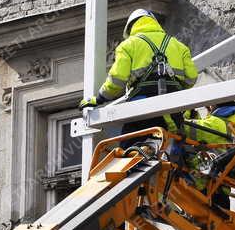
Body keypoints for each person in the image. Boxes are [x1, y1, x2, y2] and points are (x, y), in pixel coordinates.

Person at [79, 9, 198, 142]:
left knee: (130, 149)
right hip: (174, 109)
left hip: (142, 109)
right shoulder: (178, 45)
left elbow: (117, 80)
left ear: (130, 28)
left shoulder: (128, 45)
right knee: (172, 150)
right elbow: (191, 78)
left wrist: (100, 98)